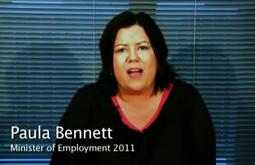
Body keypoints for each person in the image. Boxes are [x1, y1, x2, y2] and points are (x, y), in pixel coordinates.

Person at [50, 10, 216, 165]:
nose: (133, 57)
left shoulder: (188, 101)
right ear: (110, 64)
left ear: (158, 56)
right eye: (121, 50)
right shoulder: (86, 102)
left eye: (142, 47)